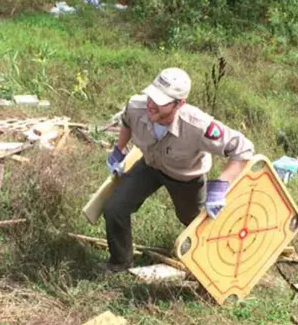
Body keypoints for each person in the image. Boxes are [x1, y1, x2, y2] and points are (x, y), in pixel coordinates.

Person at [99, 67, 255, 272]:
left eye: (161, 101)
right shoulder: (137, 106)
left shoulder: (198, 126)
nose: (152, 105)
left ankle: (212, 268)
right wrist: (118, 151)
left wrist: (220, 186)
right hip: (150, 165)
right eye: (152, 97)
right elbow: (127, 122)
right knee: (114, 207)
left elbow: (243, 149)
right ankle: (120, 262)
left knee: (196, 223)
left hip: (186, 178)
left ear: (179, 103)